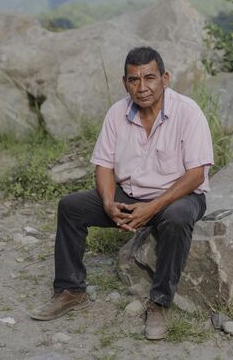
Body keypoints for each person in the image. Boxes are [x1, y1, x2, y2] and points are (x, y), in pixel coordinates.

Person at [30, 46, 214, 340]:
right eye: (134, 80)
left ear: (165, 78)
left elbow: (196, 175)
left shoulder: (188, 112)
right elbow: (103, 166)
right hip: (129, 195)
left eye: (149, 78)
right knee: (70, 206)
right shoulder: (117, 112)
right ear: (124, 82)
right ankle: (70, 290)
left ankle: (159, 303)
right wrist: (108, 202)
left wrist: (152, 208)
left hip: (178, 196)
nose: (142, 88)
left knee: (178, 217)